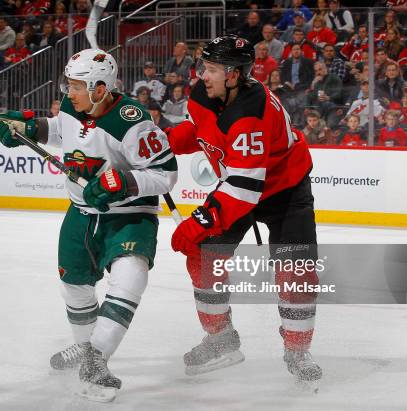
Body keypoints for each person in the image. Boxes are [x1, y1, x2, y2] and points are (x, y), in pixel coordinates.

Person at [0, 49, 177, 402]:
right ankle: (86, 347)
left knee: (130, 277)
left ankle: (96, 359)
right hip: (81, 213)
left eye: (76, 86)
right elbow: (63, 130)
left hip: (129, 217)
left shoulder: (132, 121)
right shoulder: (75, 104)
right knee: (73, 284)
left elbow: (166, 174)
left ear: (101, 88)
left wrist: (121, 182)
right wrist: (28, 127)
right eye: (69, 85)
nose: (68, 93)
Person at [166, 35, 321, 382]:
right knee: (204, 254)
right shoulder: (205, 94)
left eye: (212, 70)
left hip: (285, 190)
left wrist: (197, 221)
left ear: (234, 75)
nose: (202, 76)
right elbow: (203, 129)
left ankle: (298, 350)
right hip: (241, 181)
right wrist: (169, 142)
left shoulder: (250, 112)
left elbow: (244, 191)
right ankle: (221, 338)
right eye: (203, 67)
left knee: (295, 271)